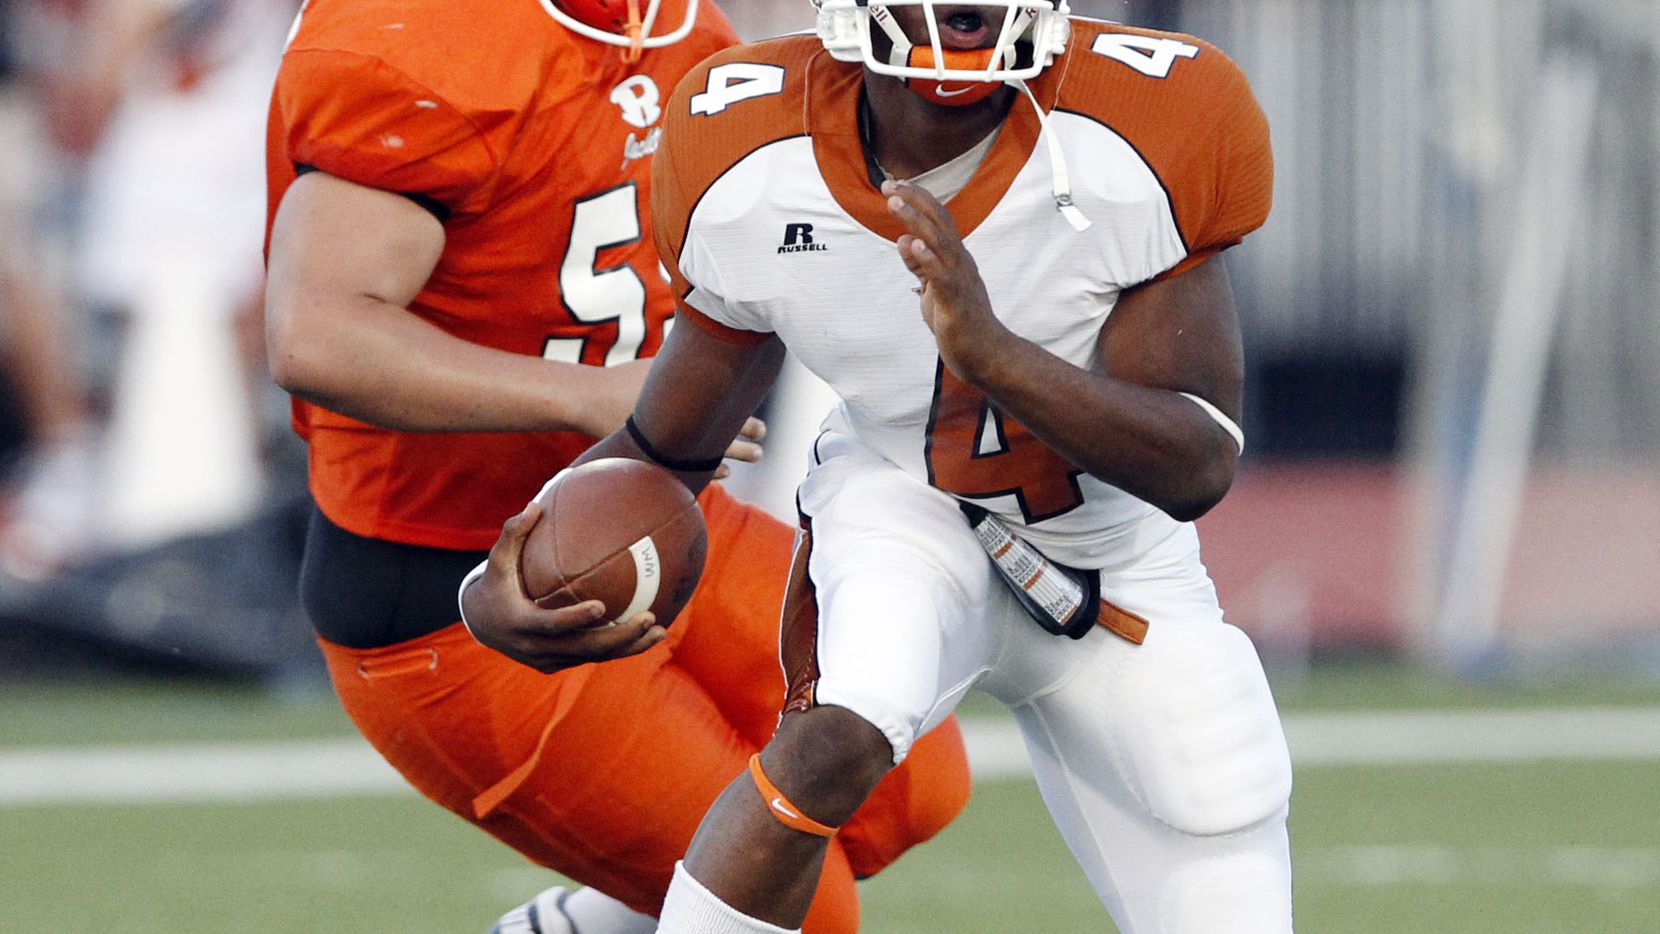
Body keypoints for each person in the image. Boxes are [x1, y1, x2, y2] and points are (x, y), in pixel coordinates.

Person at [463, 1, 1296, 932]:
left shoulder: (1147, 115)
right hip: (907, 503)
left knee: (1221, 806)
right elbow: (666, 449)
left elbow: (1196, 460)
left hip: (1115, 554)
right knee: (842, 725)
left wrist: (998, 357)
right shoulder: (748, 146)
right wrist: (497, 586)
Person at [261, 2, 971, 932]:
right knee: (803, 912)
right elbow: (317, 335)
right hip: (451, 578)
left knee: (907, 781)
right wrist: (588, 397)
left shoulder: (690, 35)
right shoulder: (427, 45)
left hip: (652, 514)